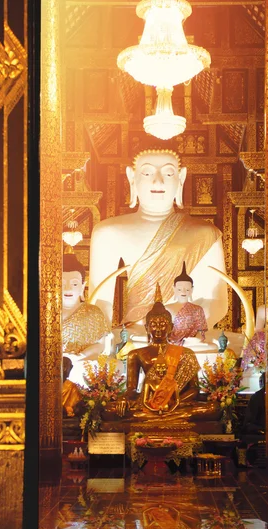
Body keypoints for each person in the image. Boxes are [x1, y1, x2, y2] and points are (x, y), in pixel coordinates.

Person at [88, 149, 228, 328]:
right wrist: (105, 342)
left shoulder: (204, 233)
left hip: (183, 335)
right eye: (147, 173)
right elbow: (99, 303)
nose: (158, 181)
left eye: (169, 173)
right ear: (132, 177)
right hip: (134, 334)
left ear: (181, 178)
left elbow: (216, 302)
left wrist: (176, 324)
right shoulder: (108, 232)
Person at [102, 300, 222, 423]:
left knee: (214, 408)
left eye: (163, 324)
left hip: (177, 403)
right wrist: (124, 399)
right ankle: (171, 418)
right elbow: (132, 389)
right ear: (146, 328)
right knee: (108, 410)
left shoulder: (186, 353)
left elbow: (194, 389)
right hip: (148, 405)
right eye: (153, 324)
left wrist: (173, 402)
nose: (158, 329)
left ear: (171, 327)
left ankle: (155, 418)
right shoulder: (135, 354)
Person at [62, 252, 110, 382]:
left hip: (82, 363)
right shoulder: (47, 313)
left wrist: (80, 355)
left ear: (83, 286)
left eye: (74, 284)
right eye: (62, 283)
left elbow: (100, 345)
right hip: (54, 365)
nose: (68, 289)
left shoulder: (93, 312)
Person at [167, 262, 208, 346]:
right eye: (179, 289)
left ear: (192, 290)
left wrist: (196, 339)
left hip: (191, 345)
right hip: (170, 344)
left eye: (187, 289)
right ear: (174, 289)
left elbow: (201, 333)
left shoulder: (197, 309)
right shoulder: (166, 308)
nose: (183, 292)